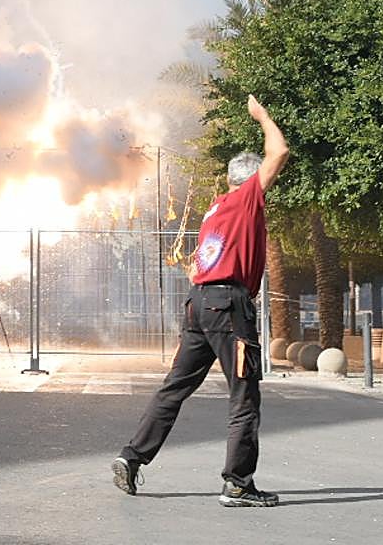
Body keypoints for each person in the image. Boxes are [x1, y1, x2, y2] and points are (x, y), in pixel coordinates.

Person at [112, 94, 288, 508]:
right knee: (245, 396)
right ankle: (238, 484)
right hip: (228, 307)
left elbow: (196, 267)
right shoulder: (246, 201)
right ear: (249, 183)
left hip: (199, 305)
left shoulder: (216, 209)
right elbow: (278, 150)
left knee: (175, 388)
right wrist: (262, 115)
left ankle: (131, 457)